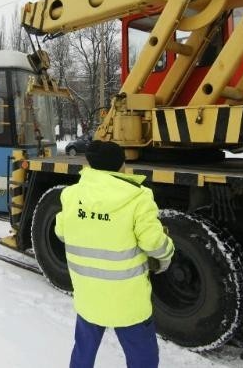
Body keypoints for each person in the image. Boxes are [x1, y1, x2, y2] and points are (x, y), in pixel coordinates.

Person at [55, 140, 175, 368]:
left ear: (90, 164)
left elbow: (61, 232)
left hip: (89, 296)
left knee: (83, 351)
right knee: (143, 357)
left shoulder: (71, 195)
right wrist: (168, 252)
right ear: (122, 165)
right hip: (129, 302)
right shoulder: (138, 197)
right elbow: (153, 243)